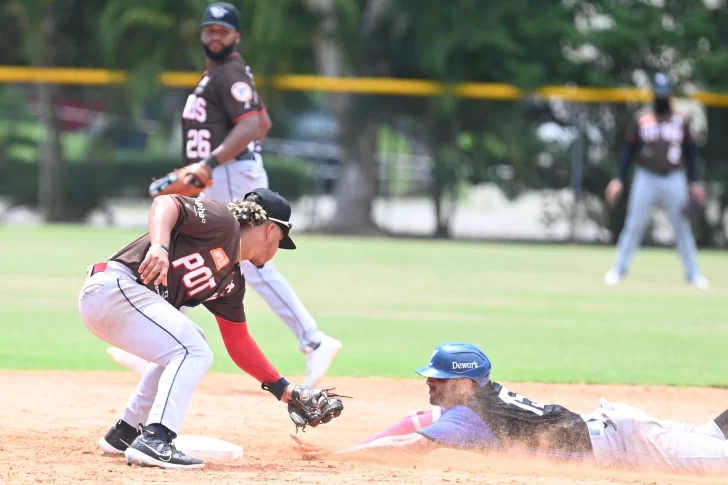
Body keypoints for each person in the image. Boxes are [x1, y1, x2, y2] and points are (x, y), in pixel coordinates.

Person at [110, 2, 342, 386]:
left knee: (245, 258)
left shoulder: (229, 72)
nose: (215, 35)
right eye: (209, 29)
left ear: (237, 36)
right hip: (222, 170)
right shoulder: (219, 74)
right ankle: (158, 343)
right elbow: (263, 121)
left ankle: (314, 340)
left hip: (232, 173)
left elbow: (251, 125)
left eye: (223, 30)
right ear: (202, 34)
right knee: (197, 250)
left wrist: (208, 164)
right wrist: (201, 166)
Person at [79, 189, 339, 469]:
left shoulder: (231, 281)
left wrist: (284, 390)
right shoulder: (224, 223)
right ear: (270, 229)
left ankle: (126, 432)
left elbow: (238, 342)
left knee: (183, 347)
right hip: (114, 288)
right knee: (194, 350)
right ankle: (156, 439)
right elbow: (166, 203)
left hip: (122, 303)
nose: (277, 250)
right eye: (280, 240)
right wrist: (159, 247)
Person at [292, 342, 728, 474]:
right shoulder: (481, 398)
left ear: (463, 384)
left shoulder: (471, 416)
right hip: (619, 427)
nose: (429, 381)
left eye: (438, 377)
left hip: (631, 445)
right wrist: (357, 444)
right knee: (713, 438)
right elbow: (417, 421)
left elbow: (412, 443)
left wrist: (337, 456)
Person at [603, 72, 709, 289]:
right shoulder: (642, 117)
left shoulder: (681, 119)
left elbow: (690, 153)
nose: (661, 96)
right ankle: (619, 270)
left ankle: (693, 274)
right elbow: (628, 151)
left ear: (669, 94)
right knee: (634, 225)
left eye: (664, 92)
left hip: (674, 177)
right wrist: (618, 179)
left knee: (682, 227)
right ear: (653, 94)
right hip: (646, 177)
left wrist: (695, 182)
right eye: (658, 92)